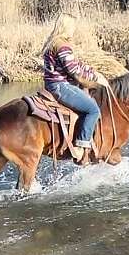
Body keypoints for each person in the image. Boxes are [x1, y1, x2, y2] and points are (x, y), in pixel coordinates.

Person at [42, 14, 109, 162]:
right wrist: (95, 79)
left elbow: (77, 64)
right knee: (93, 109)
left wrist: (94, 73)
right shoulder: (62, 45)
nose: (74, 30)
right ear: (66, 27)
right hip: (61, 86)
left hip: (52, 84)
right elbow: (74, 71)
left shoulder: (53, 42)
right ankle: (81, 145)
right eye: (72, 26)